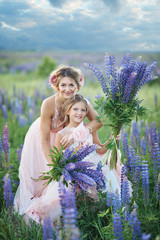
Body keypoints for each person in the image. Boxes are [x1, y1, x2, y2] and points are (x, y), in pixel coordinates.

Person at [14, 65, 102, 223]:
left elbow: (98, 121)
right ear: (56, 86)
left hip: (69, 138)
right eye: (63, 85)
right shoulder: (48, 104)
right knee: (49, 177)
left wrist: (80, 132)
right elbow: (44, 140)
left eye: (71, 85)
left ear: (78, 85)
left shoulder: (82, 102)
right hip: (45, 138)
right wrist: (52, 164)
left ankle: (77, 209)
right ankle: (49, 210)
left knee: (76, 173)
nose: (68, 89)